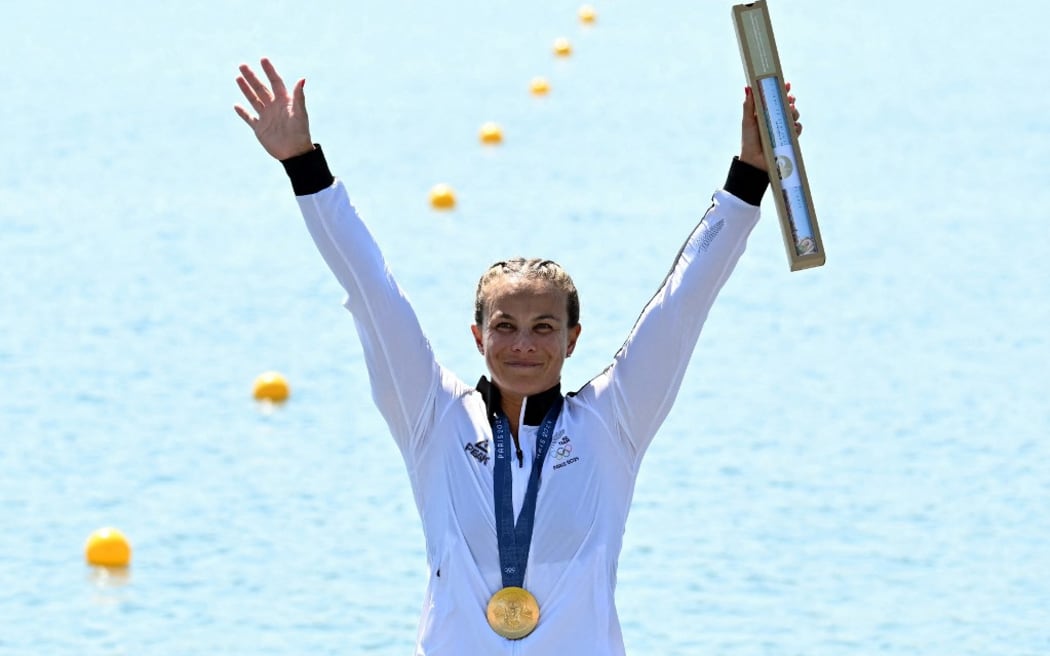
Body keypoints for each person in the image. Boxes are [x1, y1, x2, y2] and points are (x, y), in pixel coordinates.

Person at [234, 57, 800, 655]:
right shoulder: (432, 418)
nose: (524, 343)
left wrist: (749, 177)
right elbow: (372, 289)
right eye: (505, 326)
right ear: (478, 337)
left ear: (572, 340)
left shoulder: (614, 422)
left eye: (544, 326)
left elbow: (684, 303)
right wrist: (303, 165)